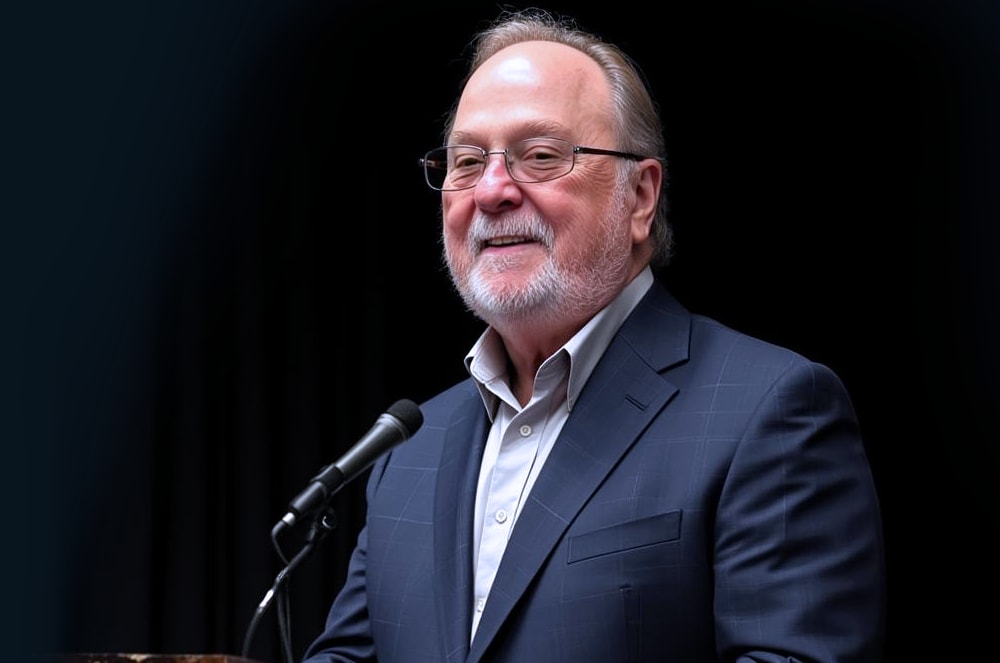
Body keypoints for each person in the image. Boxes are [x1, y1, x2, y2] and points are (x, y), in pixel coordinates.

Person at [301, 7, 886, 662]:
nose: (491, 190)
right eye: (467, 162)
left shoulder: (770, 411)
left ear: (639, 197)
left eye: (541, 156)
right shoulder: (407, 452)